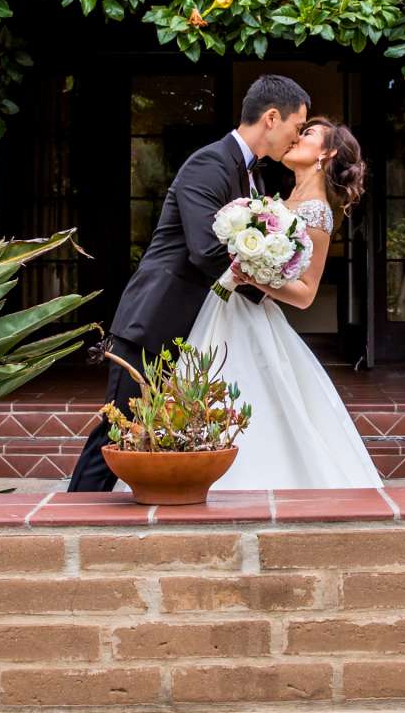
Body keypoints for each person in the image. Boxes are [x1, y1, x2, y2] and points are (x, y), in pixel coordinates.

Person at [67, 74, 307, 493]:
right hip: (156, 323)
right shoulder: (209, 163)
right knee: (119, 433)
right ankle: (66, 532)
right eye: (296, 126)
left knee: (163, 440)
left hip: (196, 332)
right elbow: (205, 250)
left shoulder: (256, 179)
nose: (297, 136)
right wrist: (269, 285)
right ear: (272, 117)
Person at [195, 116, 382, 490]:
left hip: (253, 311)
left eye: (308, 134)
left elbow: (306, 292)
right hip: (228, 304)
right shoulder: (280, 200)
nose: (297, 137)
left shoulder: (317, 211)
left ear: (326, 153)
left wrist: (253, 276)